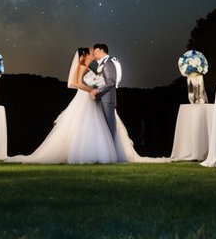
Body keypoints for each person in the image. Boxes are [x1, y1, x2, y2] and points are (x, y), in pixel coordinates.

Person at [8, 46, 142, 164]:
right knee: (86, 124)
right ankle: (89, 153)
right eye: (90, 53)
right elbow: (76, 83)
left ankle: (101, 152)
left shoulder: (91, 67)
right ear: (84, 56)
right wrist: (92, 90)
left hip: (92, 98)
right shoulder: (82, 66)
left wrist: (97, 89)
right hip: (85, 98)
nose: (92, 55)